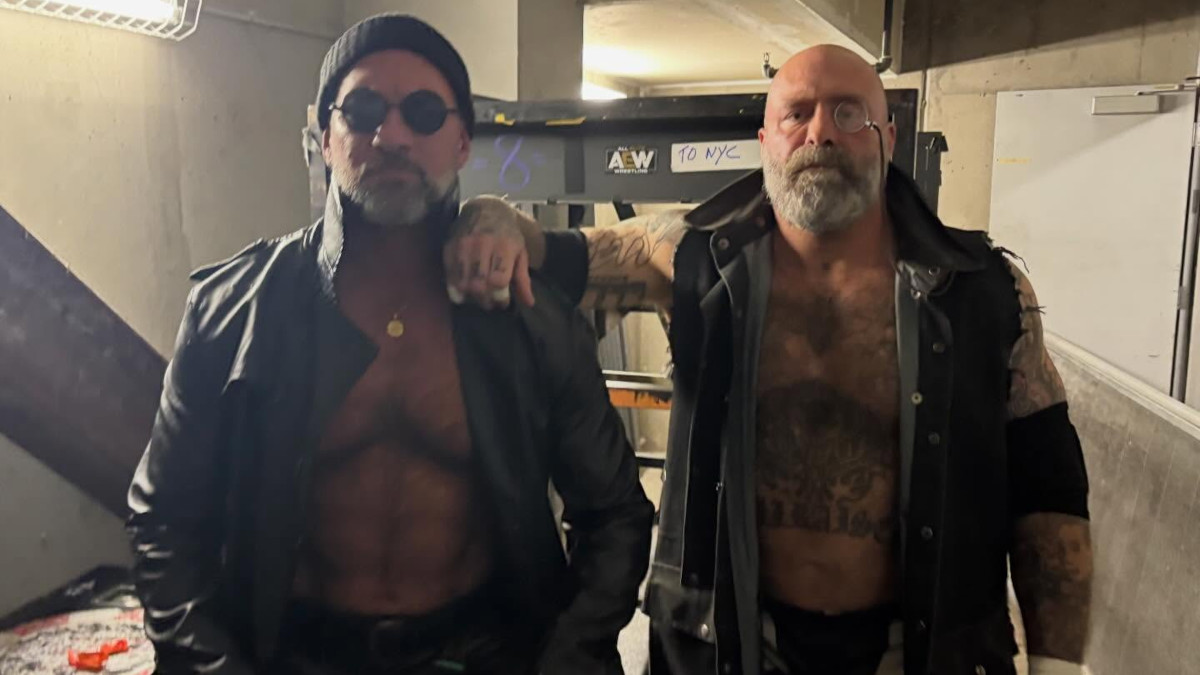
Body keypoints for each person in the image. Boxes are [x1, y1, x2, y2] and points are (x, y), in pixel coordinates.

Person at [445, 46, 1092, 675]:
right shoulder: (689, 257)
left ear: (889, 138)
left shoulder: (981, 291)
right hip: (729, 644)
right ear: (765, 141)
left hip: (922, 651)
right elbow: (549, 254)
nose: (821, 133)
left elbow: (1049, 489)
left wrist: (1058, 665)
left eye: (849, 113)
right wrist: (488, 214)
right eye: (796, 113)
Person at [126, 14, 653, 675]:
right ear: (326, 138)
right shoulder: (232, 311)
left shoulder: (531, 319)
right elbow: (163, 520)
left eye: (424, 113)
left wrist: (567, 659)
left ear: (462, 143)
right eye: (364, 111)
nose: (392, 135)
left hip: (482, 653)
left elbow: (614, 516)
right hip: (293, 656)